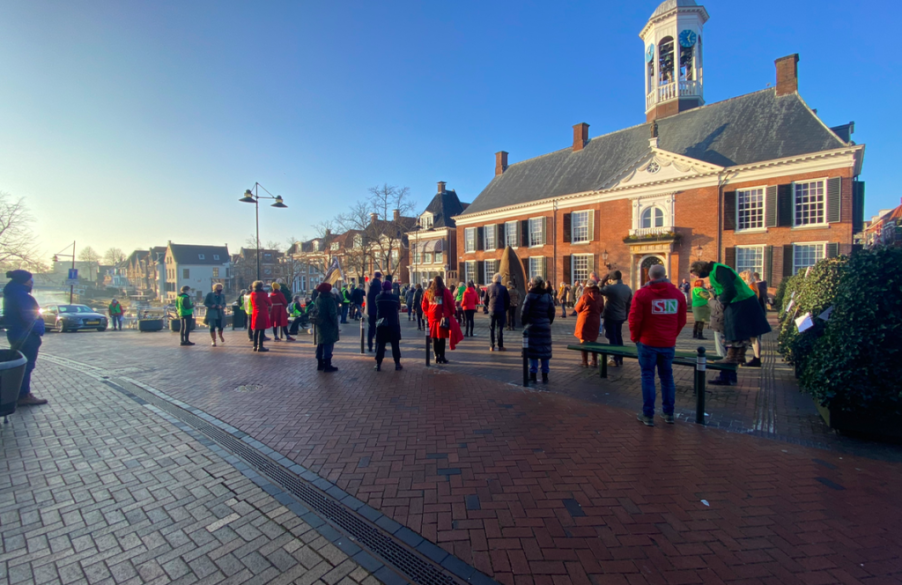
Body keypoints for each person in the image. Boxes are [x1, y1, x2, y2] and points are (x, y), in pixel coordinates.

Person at [628, 264, 687, 426]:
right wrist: (672, 335)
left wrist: (635, 337)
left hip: (647, 342)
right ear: (665, 275)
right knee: (667, 377)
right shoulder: (678, 295)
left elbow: (634, 319)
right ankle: (669, 413)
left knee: (647, 376)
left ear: (649, 277)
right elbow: (682, 320)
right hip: (667, 342)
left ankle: (648, 414)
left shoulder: (642, 294)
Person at [690, 261, 771, 372]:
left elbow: (729, 290)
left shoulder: (719, 270)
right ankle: (738, 356)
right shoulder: (715, 271)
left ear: (701, 269)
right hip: (740, 300)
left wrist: (720, 303)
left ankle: (732, 357)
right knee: (740, 332)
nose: (698, 277)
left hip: (741, 301)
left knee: (734, 330)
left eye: (697, 274)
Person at [3, 270, 48, 406]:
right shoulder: (23, 296)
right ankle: (23, 395)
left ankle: (19, 394)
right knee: (26, 365)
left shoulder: (11, 294)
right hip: (26, 335)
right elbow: (30, 317)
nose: (31, 282)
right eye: (30, 279)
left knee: (21, 364)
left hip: (16, 334)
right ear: (24, 280)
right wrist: (39, 329)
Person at [522, 276, 555, 384]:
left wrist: (525, 322)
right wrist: (548, 321)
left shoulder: (530, 295)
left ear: (533, 284)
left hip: (533, 325)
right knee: (545, 350)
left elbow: (524, 311)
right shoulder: (547, 295)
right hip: (545, 326)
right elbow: (552, 310)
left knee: (533, 351)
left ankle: (533, 374)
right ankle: (545, 375)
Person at [599, 271, 632, 368]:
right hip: (621, 316)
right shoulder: (627, 288)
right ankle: (620, 356)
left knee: (610, 335)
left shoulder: (611, 288)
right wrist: (626, 314)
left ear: (611, 279)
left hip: (611, 315)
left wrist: (603, 280)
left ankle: (613, 358)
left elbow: (598, 289)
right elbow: (629, 303)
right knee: (618, 335)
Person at [423, 276, 457, 364]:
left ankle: (436, 356)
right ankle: (442, 356)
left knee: (434, 338)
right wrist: (452, 312)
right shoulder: (445, 292)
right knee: (441, 338)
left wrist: (428, 313)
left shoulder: (428, 292)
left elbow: (424, 305)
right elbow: (451, 303)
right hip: (442, 317)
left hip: (432, 318)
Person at [574, 278, 604, 368]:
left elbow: (577, 308)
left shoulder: (585, 297)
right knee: (593, 340)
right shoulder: (600, 297)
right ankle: (594, 361)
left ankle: (584, 361)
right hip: (595, 320)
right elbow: (601, 309)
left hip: (584, 320)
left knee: (583, 340)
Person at [374, 280, 403, 371]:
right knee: (395, 345)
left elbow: (376, 306)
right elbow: (399, 307)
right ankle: (397, 364)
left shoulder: (378, 297)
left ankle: (378, 364)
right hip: (393, 323)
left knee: (381, 345)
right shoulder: (395, 297)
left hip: (381, 324)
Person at [739, 271, 763, 368]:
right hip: (753, 315)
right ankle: (756, 358)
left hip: (748, 315)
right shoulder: (754, 287)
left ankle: (743, 358)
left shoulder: (749, 289)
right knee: (753, 338)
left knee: (746, 338)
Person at [314, 282, 339, 371]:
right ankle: (327, 365)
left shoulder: (318, 299)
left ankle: (320, 363)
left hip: (320, 324)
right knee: (328, 343)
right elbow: (332, 313)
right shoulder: (329, 299)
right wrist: (335, 324)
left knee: (321, 343)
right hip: (328, 324)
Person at [486, 274, 511, 351]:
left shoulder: (489, 288)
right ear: (500, 280)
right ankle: (500, 346)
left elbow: (485, 300)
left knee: (491, 329)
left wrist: (488, 307)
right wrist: (505, 308)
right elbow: (507, 300)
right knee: (499, 329)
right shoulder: (503, 288)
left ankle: (491, 346)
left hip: (491, 310)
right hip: (501, 310)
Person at [249, 281, 272, 352]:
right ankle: (260, 346)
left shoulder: (252, 294)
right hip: (262, 312)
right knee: (262, 330)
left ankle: (254, 346)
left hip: (255, 312)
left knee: (256, 330)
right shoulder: (263, 294)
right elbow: (269, 302)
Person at [366, 272, 383, 352]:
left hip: (370, 310)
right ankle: (377, 346)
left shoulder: (369, 284)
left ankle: (369, 346)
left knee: (370, 328)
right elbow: (380, 297)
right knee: (379, 329)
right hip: (377, 309)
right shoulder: (379, 285)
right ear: (379, 277)